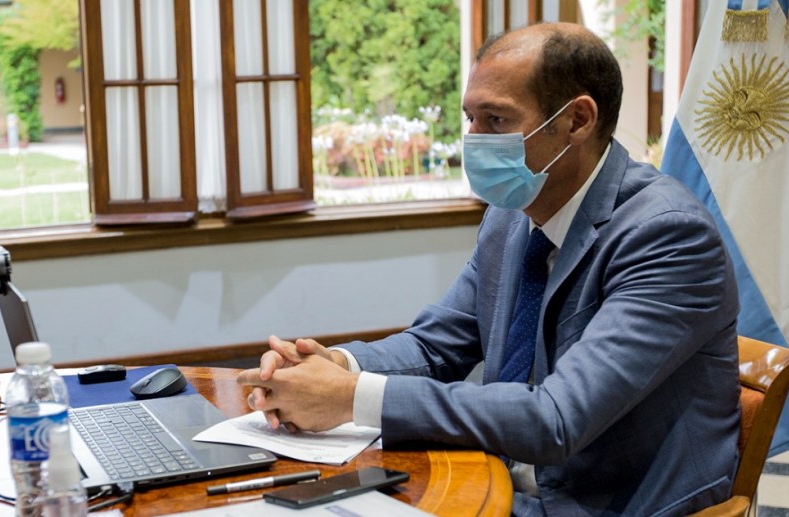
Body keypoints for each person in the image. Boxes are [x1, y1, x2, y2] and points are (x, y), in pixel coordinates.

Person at [238, 22, 741, 516]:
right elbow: (436, 345)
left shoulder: (667, 235)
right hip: (496, 484)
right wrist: (336, 366)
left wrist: (354, 398)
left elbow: (556, 419)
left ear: (578, 120)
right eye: (470, 119)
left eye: (496, 120)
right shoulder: (511, 216)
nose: (474, 140)